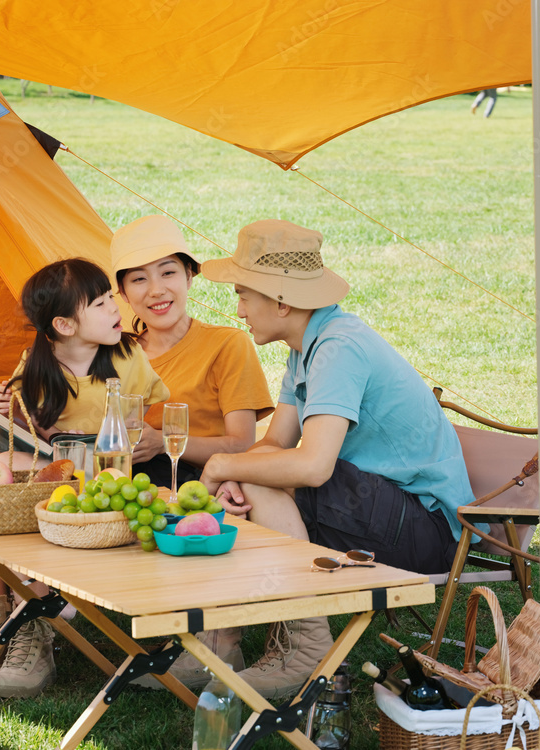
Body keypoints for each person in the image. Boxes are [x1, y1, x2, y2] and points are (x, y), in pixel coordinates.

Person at [197, 219, 478, 700]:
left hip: (426, 532)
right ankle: (218, 645)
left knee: (261, 483)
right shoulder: (305, 345)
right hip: (383, 509)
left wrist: (225, 468)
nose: (238, 308)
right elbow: (275, 445)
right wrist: (237, 475)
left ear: (282, 301)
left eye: (244, 295)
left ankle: (304, 648)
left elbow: (312, 467)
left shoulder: (338, 348)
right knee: (254, 484)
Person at [0, 258, 169, 699]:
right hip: (51, 464)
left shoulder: (128, 356)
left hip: (105, 474)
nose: (115, 309)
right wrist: (5, 402)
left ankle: (33, 620)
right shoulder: (36, 362)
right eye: (102, 303)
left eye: (111, 299)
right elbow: (26, 432)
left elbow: (133, 427)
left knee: (40, 492)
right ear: (65, 324)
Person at [109, 215, 275, 691]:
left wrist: (162, 440)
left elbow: (241, 442)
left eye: (168, 272)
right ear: (122, 291)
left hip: (203, 475)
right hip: (130, 477)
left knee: (178, 499)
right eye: (138, 278)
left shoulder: (227, 343)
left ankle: (215, 643)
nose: (156, 289)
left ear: (189, 277)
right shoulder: (116, 352)